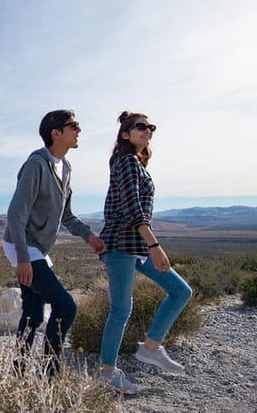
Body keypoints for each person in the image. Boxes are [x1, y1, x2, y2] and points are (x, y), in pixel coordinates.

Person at [3, 109, 106, 377]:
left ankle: (18, 371)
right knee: (66, 307)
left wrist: (89, 236)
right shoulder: (36, 164)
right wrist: (24, 259)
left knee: (33, 315)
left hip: (36, 249)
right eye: (74, 125)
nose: (79, 130)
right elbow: (16, 214)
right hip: (21, 244)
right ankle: (50, 374)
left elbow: (67, 215)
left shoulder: (66, 168)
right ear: (56, 133)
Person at [98, 111, 193, 394]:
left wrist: (148, 247)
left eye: (150, 127)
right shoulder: (126, 161)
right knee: (121, 310)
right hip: (121, 246)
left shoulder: (136, 163)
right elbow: (133, 209)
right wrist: (155, 246)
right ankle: (106, 371)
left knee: (181, 291)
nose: (147, 131)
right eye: (141, 127)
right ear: (125, 133)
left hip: (136, 247)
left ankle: (151, 347)